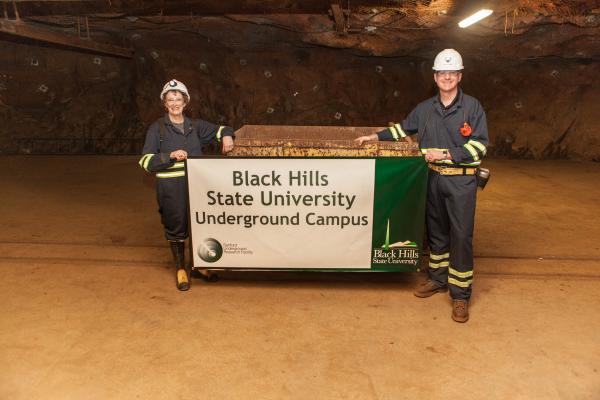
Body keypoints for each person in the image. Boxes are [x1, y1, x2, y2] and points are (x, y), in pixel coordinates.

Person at [355, 49, 488, 322]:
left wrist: (447, 154)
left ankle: (460, 295)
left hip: (461, 180)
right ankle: (437, 278)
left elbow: (479, 147)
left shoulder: (472, 107)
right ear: (435, 77)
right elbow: (403, 129)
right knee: (436, 232)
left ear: (459, 76)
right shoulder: (425, 108)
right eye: (442, 73)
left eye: (452, 73)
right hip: (432, 178)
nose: (447, 78)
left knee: (461, 236)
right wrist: (374, 137)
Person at [139, 79, 235, 291]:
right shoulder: (157, 129)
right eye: (170, 100)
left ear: (186, 102)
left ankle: (199, 266)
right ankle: (181, 268)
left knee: (199, 223)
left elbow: (223, 128)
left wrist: (227, 136)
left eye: (178, 99)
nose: (175, 103)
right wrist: (169, 156)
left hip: (197, 185)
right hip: (171, 188)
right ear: (165, 103)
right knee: (177, 225)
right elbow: (145, 161)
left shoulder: (196, 126)